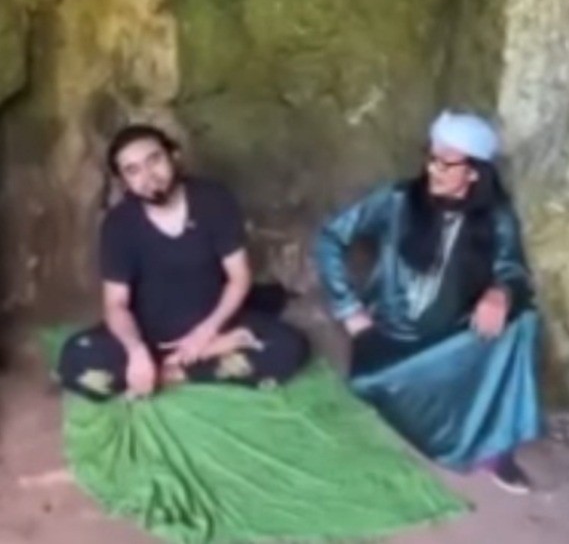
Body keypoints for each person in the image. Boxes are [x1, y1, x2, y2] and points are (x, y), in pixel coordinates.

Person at [315, 110, 543, 494]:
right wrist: (348, 310)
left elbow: (513, 271)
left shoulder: (495, 217)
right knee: (369, 383)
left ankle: (496, 449)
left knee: (524, 323)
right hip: (389, 336)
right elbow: (330, 238)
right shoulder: (396, 200)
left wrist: (500, 292)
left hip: (450, 338)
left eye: (446, 162)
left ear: (474, 172)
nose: (434, 169)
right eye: (431, 157)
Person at [58, 124, 309, 401]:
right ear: (124, 181)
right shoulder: (119, 224)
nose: (148, 176)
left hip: (215, 322)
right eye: (133, 170)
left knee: (288, 348)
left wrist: (206, 333)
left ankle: (169, 373)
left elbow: (239, 277)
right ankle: (187, 365)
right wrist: (136, 351)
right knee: (76, 361)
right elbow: (115, 304)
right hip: (150, 334)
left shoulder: (213, 200)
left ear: (174, 156)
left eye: (154, 160)